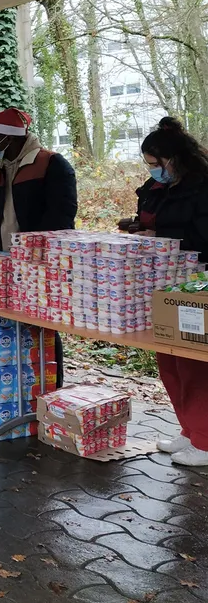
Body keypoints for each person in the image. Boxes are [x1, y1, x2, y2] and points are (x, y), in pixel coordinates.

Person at [136, 117, 208, 467]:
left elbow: (202, 238)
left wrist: (164, 240)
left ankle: (206, 441)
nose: (152, 171)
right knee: (168, 358)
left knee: (194, 362)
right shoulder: (157, 187)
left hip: (196, 287)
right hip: (162, 282)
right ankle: (189, 430)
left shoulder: (202, 187)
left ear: (174, 159)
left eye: (155, 164)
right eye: (148, 165)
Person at [0, 107, 77, 251]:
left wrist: (36, 251)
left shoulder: (51, 164)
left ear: (9, 138)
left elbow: (61, 216)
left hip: (39, 258)